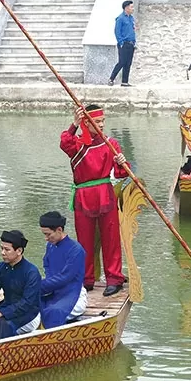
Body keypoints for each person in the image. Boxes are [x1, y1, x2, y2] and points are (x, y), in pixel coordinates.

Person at [61, 104, 128, 296]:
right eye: (97, 122)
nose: (101, 125)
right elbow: (64, 143)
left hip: (105, 193)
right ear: (86, 123)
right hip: (83, 195)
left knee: (111, 238)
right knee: (84, 240)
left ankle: (114, 278)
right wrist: (74, 124)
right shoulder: (77, 145)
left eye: (103, 121)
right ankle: (86, 279)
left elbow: (121, 173)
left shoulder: (110, 143)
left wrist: (122, 163)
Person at [38, 211, 87, 329]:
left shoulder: (76, 250)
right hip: (53, 291)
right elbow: (47, 265)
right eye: (44, 234)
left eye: (48, 234)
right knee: (31, 304)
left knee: (54, 311)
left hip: (73, 293)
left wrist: (39, 286)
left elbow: (65, 277)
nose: (46, 238)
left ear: (59, 230)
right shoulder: (51, 245)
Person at [109, 0, 136, 87]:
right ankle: (111, 78)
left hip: (131, 43)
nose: (133, 9)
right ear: (126, 8)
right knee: (122, 62)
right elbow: (117, 31)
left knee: (128, 63)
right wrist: (121, 42)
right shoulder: (120, 18)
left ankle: (125, 81)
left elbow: (132, 29)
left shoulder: (131, 18)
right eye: (131, 7)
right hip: (124, 43)